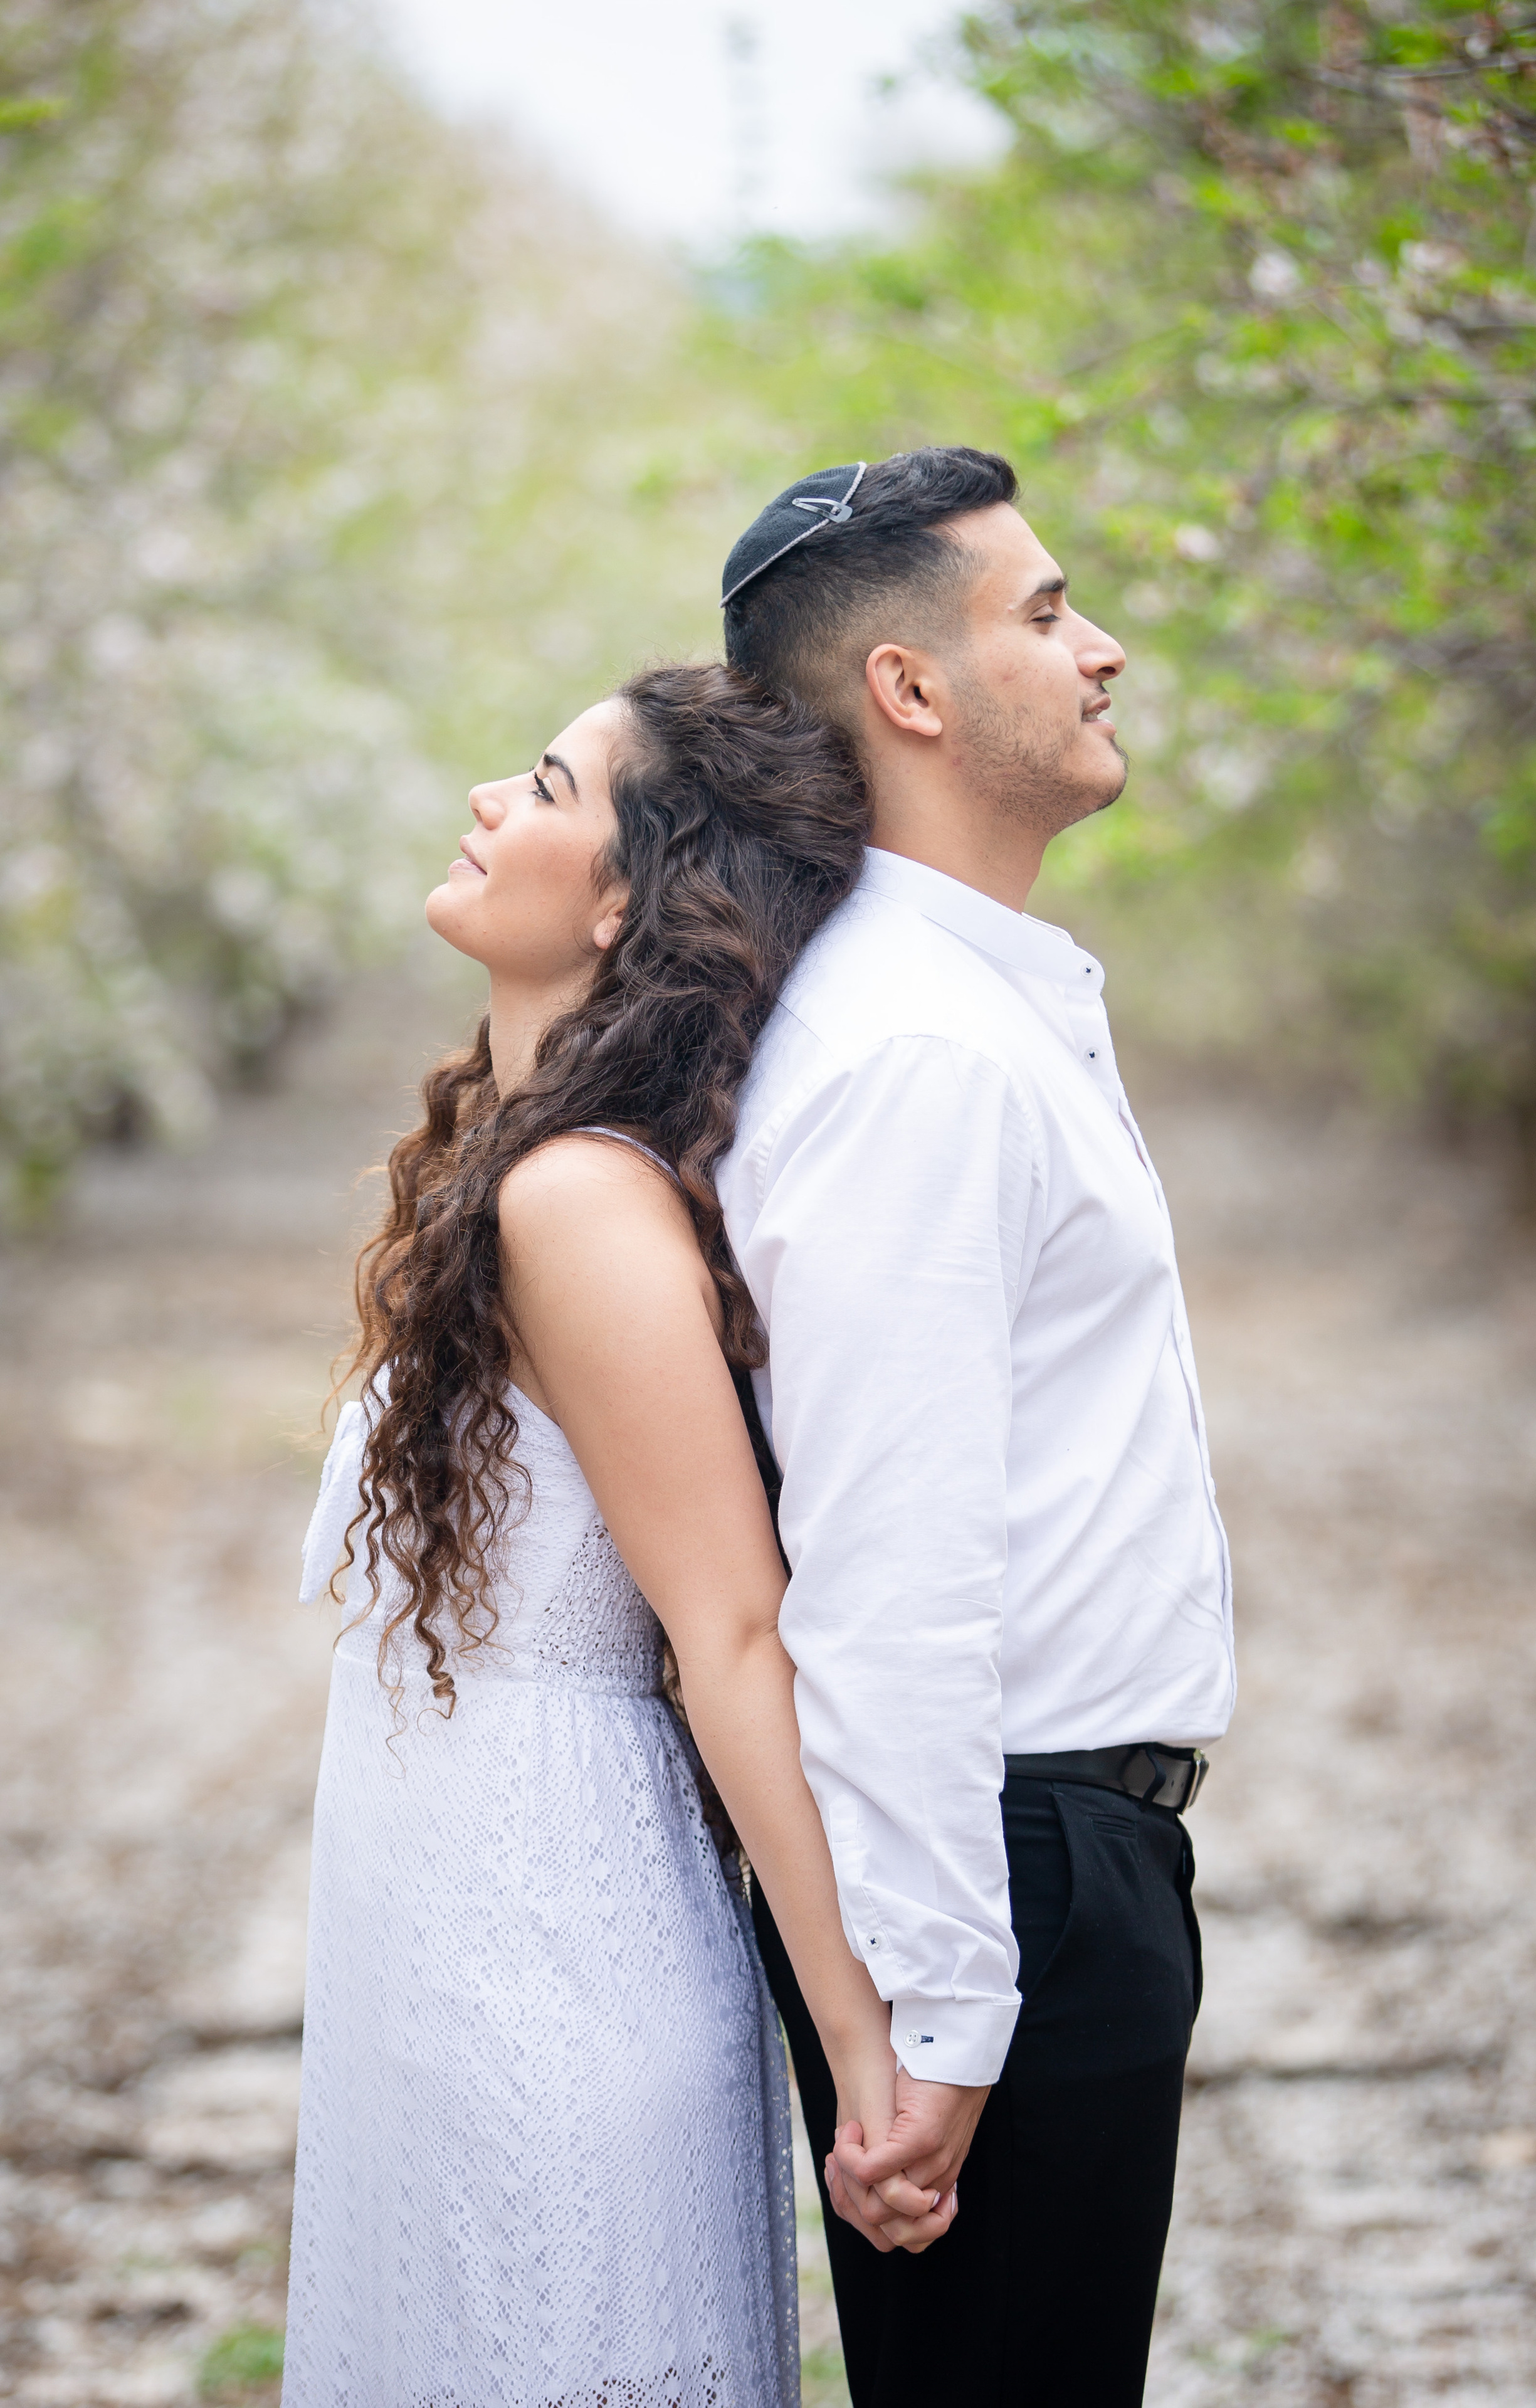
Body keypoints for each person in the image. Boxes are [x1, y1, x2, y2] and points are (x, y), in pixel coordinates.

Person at [281, 662, 955, 2408]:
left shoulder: (579, 1199)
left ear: (619, 901)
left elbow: (733, 1629)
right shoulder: (511, 1167)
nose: (493, 801)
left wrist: (868, 2048)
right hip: (442, 1954)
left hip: (555, 1975)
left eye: (548, 786)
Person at [716, 447, 1237, 2404]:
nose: (1101, 649)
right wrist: (935, 2014)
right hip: (1005, 1865)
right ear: (909, 694)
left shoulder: (971, 1008)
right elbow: (892, 1566)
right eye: (1043, 610)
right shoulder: (913, 1050)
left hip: (1056, 1854)